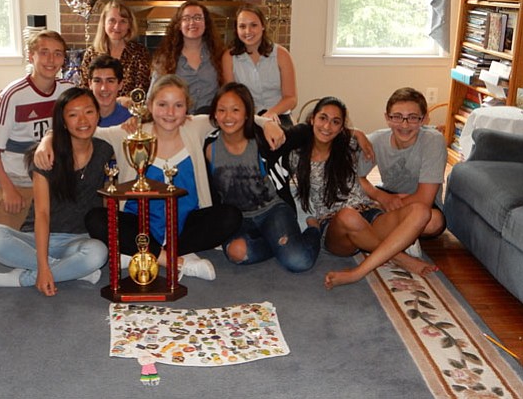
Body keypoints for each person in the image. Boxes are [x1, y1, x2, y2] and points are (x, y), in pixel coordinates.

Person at [35, 74, 285, 280]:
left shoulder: (194, 126)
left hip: (185, 226)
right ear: (150, 106)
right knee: (97, 219)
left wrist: (267, 123)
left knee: (229, 215)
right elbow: (83, 126)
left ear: (187, 108)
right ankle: (174, 261)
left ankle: (141, 254)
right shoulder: (129, 134)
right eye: (162, 104)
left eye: (178, 105)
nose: (170, 112)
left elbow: (232, 115)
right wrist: (47, 140)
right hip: (140, 225)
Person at [289, 97, 438, 289]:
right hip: (334, 226)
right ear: (312, 119)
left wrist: (356, 133)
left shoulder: (349, 145)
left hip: (369, 213)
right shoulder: (297, 155)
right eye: (322, 118)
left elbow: (359, 139)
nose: (327, 126)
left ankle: (358, 271)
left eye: (336, 122)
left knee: (421, 211)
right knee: (348, 216)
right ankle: (398, 257)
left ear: (342, 127)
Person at [0, 88, 113, 295]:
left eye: (88, 111)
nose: (82, 120)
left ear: (98, 114)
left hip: (78, 239)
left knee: (98, 253)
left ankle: (22, 278)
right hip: (37, 237)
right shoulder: (44, 155)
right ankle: (72, 270)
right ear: (63, 121)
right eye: (73, 114)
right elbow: (41, 213)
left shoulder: (104, 150)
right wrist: (43, 267)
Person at [204, 82, 321, 273]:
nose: (228, 116)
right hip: (236, 219)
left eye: (235, 110)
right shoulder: (209, 147)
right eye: (221, 110)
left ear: (247, 114)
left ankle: (313, 229)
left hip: (272, 211)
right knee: (236, 253)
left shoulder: (263, 139)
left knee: (298, 262)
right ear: (214, 114)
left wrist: (266, 123)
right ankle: (279, 243)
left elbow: (305, 131)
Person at [0, 30, 74, 236]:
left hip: (51, 180)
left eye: (57, 54)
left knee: (66, 230)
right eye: (44, 52)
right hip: (14, 179)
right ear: (31, 56)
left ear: (63, 60)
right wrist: (8, 188)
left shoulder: (68, 91)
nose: (51, 59)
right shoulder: (13, 95)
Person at [358, 87, 447, 238]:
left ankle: (380, 232)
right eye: (397, 117)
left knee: (434, 222)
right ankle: (402, 237)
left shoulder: (434, 141)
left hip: (422, 203)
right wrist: (381, 197)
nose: (404, 125)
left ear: (424, 119)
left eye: (412, 117)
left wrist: (385, 205)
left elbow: (424, 198)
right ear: (387, 118)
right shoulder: (376, 141)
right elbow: (356, 177)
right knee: (348, 212)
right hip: (388, 196)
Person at [222, 4, 297, 127]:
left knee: (279, 139)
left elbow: (291, 98)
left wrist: (271, 113)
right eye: (242, 26)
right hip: (247, 116)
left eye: (253, 25)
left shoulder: (281, 54)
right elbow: (231, 96)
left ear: (263, 26)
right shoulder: (229, 57)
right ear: (236, 29)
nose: (248, 31)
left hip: (278, 115)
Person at [151, 0, 225, 114]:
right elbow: (153, 95)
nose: (192, 23)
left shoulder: (219, 55)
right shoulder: (165, 59)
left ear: (206, 23)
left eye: (198, 18)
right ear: (179, 25)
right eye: (186, 18)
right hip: (177, 121)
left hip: (211, 122)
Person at [79, 0, 151, 95]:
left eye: (123, 21)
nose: (117, 27)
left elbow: (142, 90)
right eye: (112, 21)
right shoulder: (91, 53)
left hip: (127, 108)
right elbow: (84, 89)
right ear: (104, 23)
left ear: (129, 25)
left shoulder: (139, 52)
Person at [88, 54, 133, 127]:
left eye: (110, 81)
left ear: (120, 84)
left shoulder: (131, 119)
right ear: (90, 84)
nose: (104, 88)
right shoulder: (81, 118)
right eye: (98, 81)